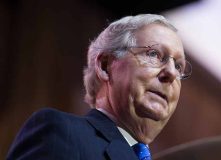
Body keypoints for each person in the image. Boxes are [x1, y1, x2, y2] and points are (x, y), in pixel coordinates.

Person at [6, 14, 192, 160]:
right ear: (105, 66)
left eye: (178, 66)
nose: (171, 73)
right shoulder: (63, 133)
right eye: (154, 54)